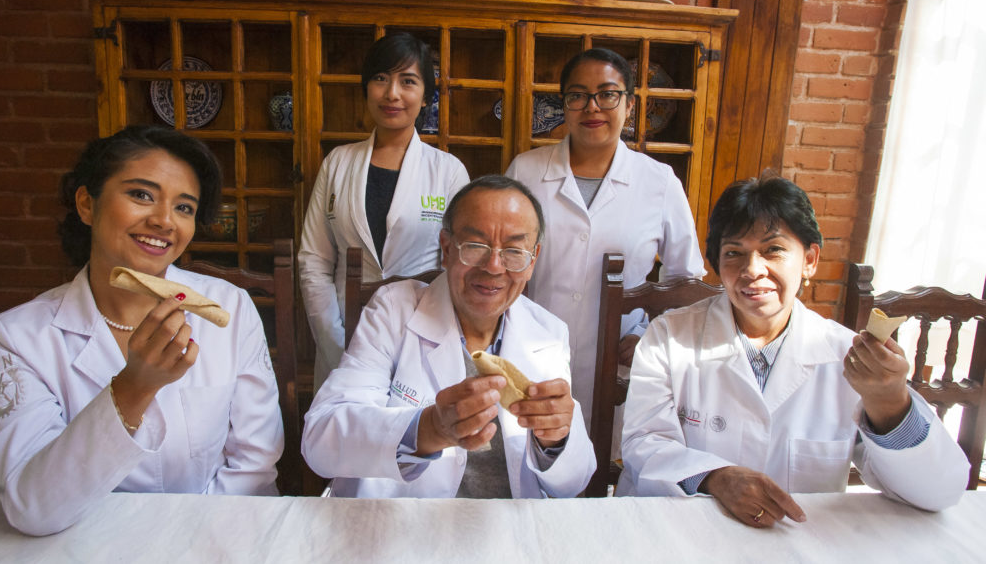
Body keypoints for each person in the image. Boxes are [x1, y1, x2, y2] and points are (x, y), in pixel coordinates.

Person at [0, 126, 284, 536]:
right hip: (83, 544)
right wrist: (133, 389)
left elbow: (254, 464)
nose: (163, 220)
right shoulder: (18, 338)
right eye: (141, 194)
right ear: (87, 204)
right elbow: (32, 507)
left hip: (215, 538)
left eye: (184, 208)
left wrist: (192, 541)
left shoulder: (228, 309)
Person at [617, 173, 969, 524]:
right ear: (717, 267)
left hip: (798, 545)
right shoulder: (668, 338)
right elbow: (644, 444)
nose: (753, 270)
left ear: (810, 260)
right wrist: (716, 477)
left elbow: (939, 491)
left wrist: (890, 404)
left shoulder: (847, 356)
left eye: (773, 250)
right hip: (691, 535)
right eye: (734, 253)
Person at [302, 175, 596, 498]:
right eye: (475, 246)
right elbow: (320, 439)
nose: (494, 266)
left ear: (532, 260)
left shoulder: (549, 332)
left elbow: (574, 482)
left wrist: (554, 441)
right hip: (401, 531)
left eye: (514, 251)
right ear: (446, 249)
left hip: (505, 534)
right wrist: (428, 430)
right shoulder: (392, 312)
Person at [506, 48, 705, 424]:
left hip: (620, 362)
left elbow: (686, 282)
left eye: (608, 94)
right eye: (578, 95)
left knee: (605, 467)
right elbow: (503, 263)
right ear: (564, 105)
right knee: (537, 461)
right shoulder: (526, 171)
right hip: (531, 354)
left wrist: (651, 335)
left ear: (629, 105)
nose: (592, 107)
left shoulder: (658, 182)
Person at [299, 33, 469, 391]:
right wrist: (336, 343)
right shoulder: (337, 163)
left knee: (416, 437)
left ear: (425, 97)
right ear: (366, 89)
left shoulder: (448, 171)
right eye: (380, 79)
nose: (392, 93)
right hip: (343, 333)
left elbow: (457, 264)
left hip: (422, 333)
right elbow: (314, 260)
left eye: (408, 81)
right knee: (347, 435)